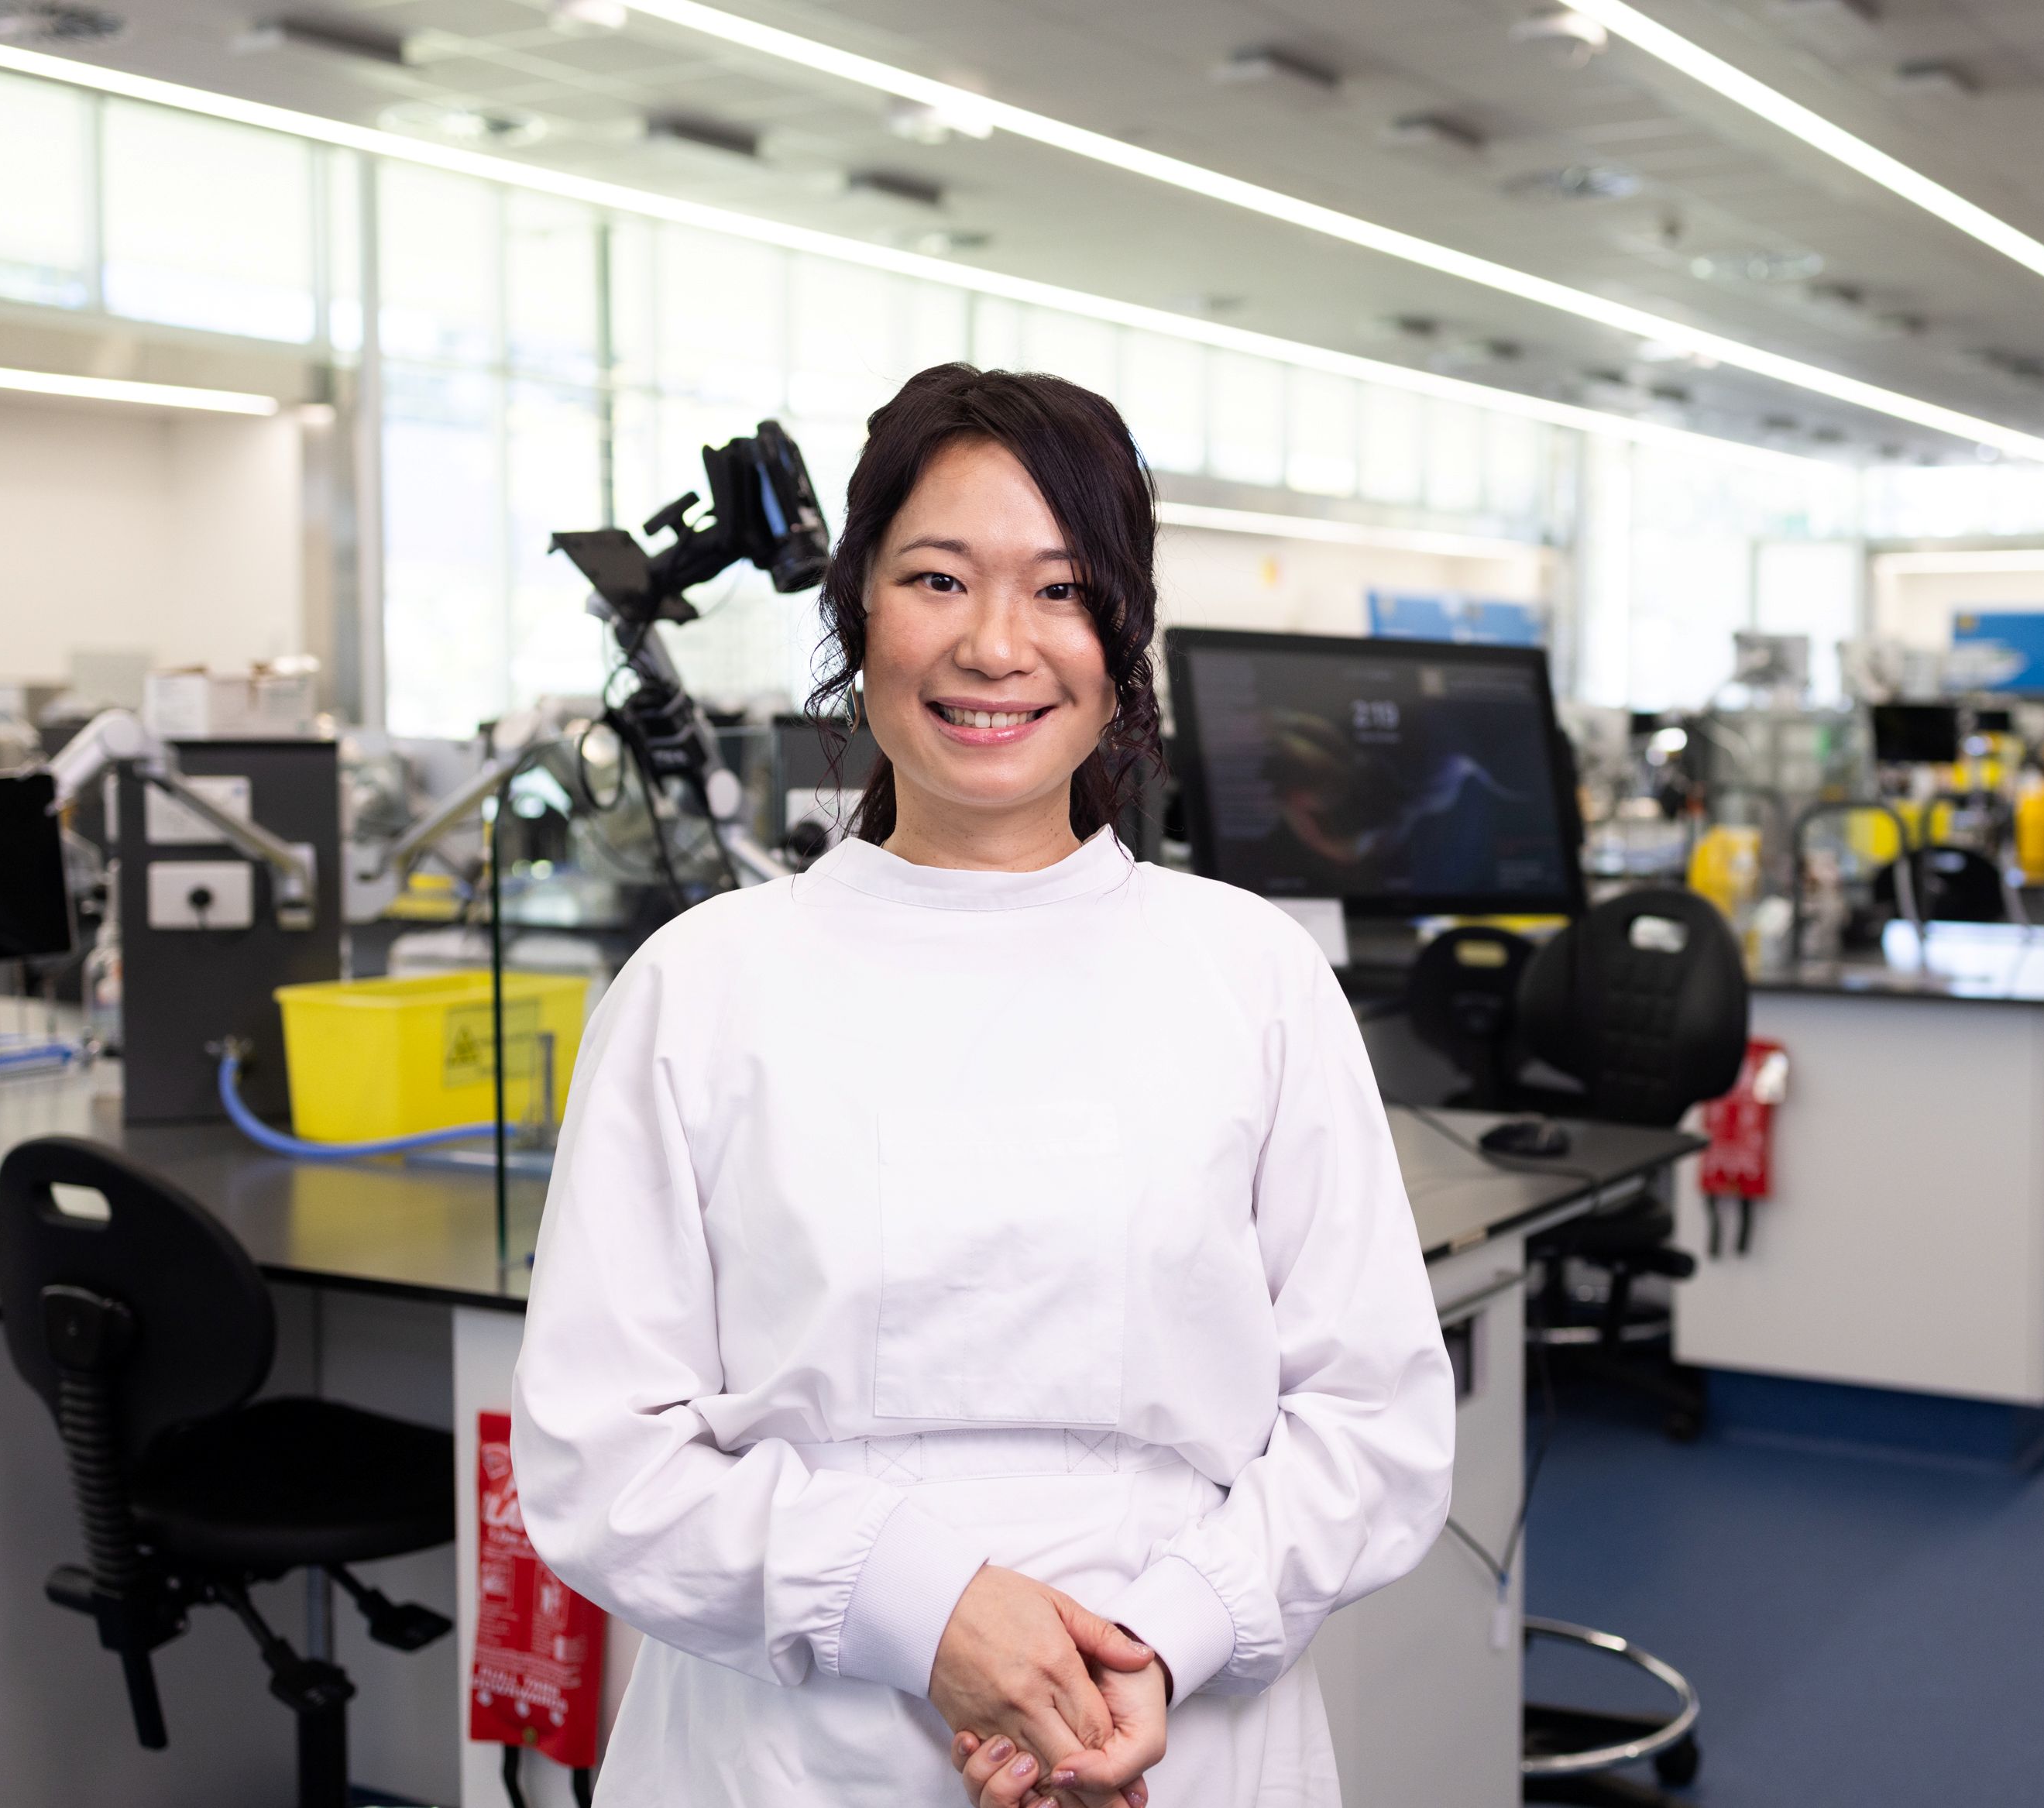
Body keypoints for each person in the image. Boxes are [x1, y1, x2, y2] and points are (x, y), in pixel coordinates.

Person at [511, 363, 1458, 1808]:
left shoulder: (1251, 976)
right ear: (858, 612)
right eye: (939, 578)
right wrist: (924, 1609)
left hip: (1176, 1741)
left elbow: (1376, 1426)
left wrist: (1148, 1646)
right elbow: (598, 1457)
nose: (996, 645)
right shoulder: (699, 989)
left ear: (1120, 635)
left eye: (1061, 591)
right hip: (796, 1759)